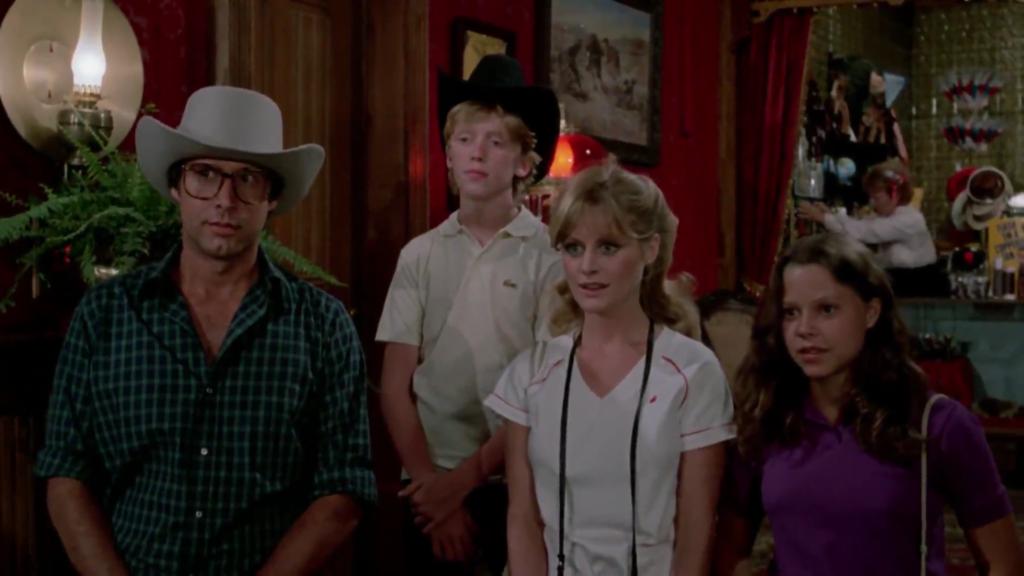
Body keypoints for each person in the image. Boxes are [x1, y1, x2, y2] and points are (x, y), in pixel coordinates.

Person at [35, 86, 376, 575]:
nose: (225, 200)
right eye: (205, 174)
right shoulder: (106, 315)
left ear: (272, 197)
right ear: (176, 186)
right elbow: (66, 472)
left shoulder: (322, 327)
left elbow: (343, 489)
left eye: (247, 179)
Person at [715, 232, 1023, 576]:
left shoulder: (937, 423)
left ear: (871, 312)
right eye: (790, 312)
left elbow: (1004, 562)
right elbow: (729, 550)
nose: (804, 329)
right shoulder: (769, 417)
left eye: (826, 310)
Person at [485, 160, 735, 575]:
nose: (587, 266)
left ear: (650, 250)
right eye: (573, 248)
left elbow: (696, 528)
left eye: (608, 247)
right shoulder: (530, 374)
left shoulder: (692, 372)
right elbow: (524, 519)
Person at [376, 54, 562, 574]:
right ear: (448, 154)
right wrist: (430, 489)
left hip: (515, 480)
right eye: (464, 139)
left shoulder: (548, 257)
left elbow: (543, 390)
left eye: (495, 142)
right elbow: (394, 387)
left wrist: (464, 483)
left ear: (523, 163)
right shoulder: (420, 255)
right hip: (428, 480)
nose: (477, 152)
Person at [798, 159, 946, 297]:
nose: (872, 203)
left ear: (895, 195)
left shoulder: (910, 219)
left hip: (917, 285)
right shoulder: (887, 216)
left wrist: (824, 218)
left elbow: (865, 232)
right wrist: (831, 215)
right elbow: (857, 226)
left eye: (876, 198)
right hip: (900, 280)